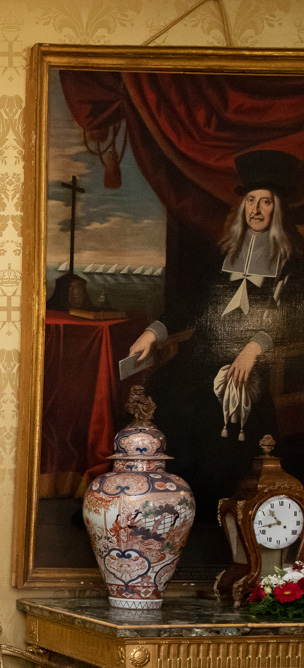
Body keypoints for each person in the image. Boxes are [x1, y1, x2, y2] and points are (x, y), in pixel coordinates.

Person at [127, 149, 304, 517]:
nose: (255, 209)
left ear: (278, 209)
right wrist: (152, 332)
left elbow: (292, 315)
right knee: (165, 391)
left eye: (265, 202)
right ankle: (167, 498)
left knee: (219, 403)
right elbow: (188, 303)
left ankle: (213, 505)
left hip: (252, 359)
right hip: (201, 353)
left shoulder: (292, 261)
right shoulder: (222, 253)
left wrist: (254, 348)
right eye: (250, 200)